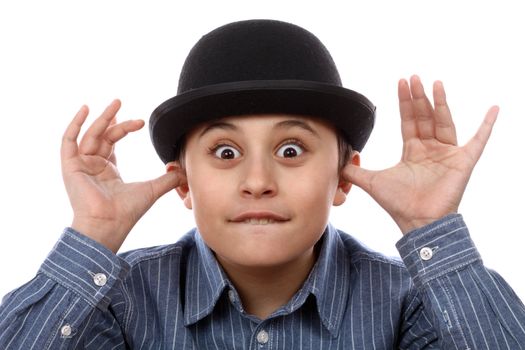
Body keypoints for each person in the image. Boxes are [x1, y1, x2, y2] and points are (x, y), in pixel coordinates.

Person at [0, 19, 524, 349]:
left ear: (343, 177)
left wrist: (431, 227)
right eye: (225, 153)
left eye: (291, 151)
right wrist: (93, 234)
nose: (257, 182)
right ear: (183, 184)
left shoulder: (410, 301)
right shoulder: (119, 300)